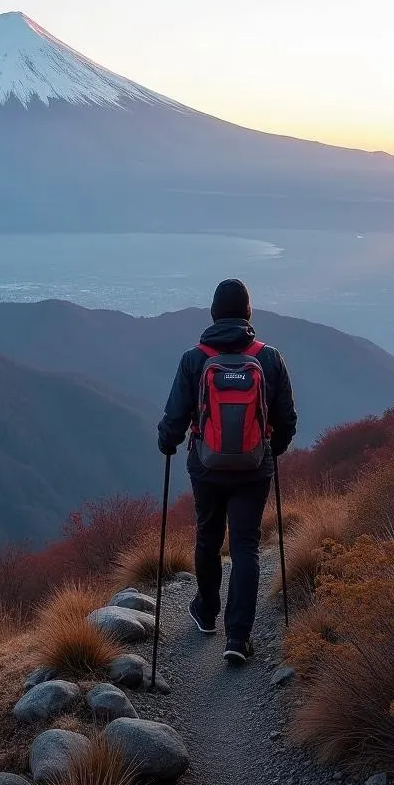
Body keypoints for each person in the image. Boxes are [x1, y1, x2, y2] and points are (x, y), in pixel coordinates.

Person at [157, 279, 297, 663]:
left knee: (208, 536)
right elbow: (286, 418)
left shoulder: (194, 358)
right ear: (248, 313)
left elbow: (175, 416)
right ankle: (238, 637)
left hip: (206, 465)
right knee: (246, 544)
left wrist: (167, 441)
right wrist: (273, 449)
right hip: (254, 466)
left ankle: (205, 610)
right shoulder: (268, 358)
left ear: (214, 313)